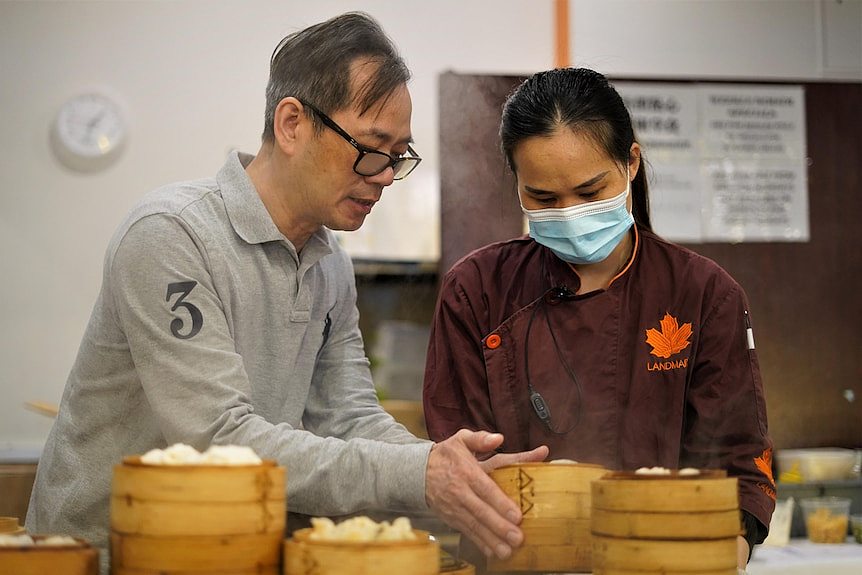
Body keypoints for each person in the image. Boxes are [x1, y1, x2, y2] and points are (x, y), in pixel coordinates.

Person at [26, 12, 547, 573]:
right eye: (371, 148)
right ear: (293, 123)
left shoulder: (329, 265)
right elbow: (217, 442)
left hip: (232, 554)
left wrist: (444, 467)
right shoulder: (170, 236)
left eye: (400, 155)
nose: (387, 176)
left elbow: (348, 415)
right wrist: (417, 475)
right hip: (104, 555)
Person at [423, 67, 775, 569]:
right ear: (517, 185)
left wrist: (717, 557)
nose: (569, 214)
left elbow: (741, 470)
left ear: (630, 162)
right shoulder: (477, 291)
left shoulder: (702, 294)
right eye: (543, 198)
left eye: (590, 193)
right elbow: (454, 464)